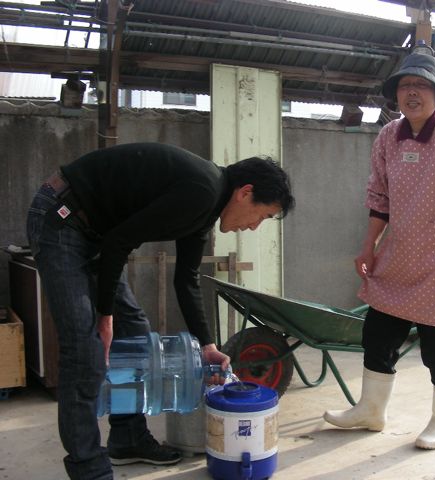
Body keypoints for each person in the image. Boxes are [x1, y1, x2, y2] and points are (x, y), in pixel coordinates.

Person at [26, 143, 295, 480]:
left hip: (94, 233)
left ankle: (127, 437)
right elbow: (119, 243)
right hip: (62, 219)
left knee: (136, 332)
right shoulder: (202, 190)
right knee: (83, 351)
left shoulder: (206, 208)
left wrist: (208, 345)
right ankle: (89, 469)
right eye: (263, 215)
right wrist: (105, 315)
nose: (255, 226)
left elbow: (186, 280)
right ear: (245, 193)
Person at [323, 44, 435, 450]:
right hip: (399, 258)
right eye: (405, 85)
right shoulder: (389, 136)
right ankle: (370, 411)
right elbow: (379, 198)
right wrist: (368, 247)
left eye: (421, 86)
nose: (412, 92)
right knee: (376, 336)